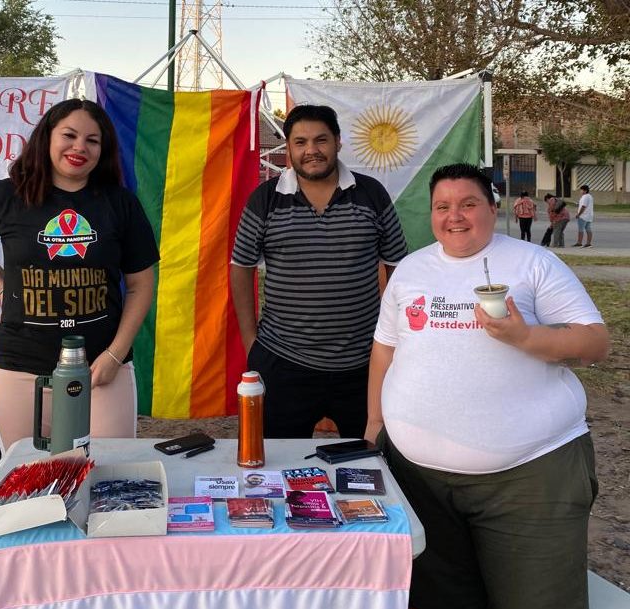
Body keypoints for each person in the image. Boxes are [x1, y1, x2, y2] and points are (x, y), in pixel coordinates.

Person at [365, 163, 610, 609]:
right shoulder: (411, 270)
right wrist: (375, 423)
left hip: (529, 478)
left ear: (492, 209)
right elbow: (385, 348)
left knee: (538, 599)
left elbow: (596, 342)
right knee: (439, 596)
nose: (454, 215)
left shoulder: (533, 262)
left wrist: (526, 337)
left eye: (468, 203)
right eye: (443, 206)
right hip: (419, 477)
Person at [0, 99, 159, 453]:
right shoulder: (8, 195)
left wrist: (114, 355)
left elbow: (141, 285)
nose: (80, 147)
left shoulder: (120, 203)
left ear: (103, 150)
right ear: (47, 138)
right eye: (70, 135)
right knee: (28, 481)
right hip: (20, 369)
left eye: (93, 140)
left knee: (109, 479)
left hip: (102, 368)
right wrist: (2, 283)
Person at [230, 104, 408, 439]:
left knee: (369, 465)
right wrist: (250, 340)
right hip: (282, 360)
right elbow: (241, 268)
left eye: (320, 140)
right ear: (289, 148)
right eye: (300, 142)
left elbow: (398, 266)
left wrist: (393, 337)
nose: (311, 150)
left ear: (338, 142)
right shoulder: (264, 200)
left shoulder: (372, 195)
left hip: (363, 364)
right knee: (275, 468)